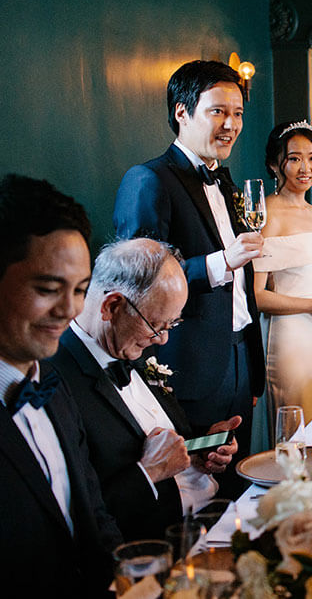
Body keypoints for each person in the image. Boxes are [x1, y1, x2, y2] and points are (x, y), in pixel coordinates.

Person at [113, 60, 265, 495]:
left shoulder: (229, 183)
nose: (231, 124)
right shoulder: (148, 180)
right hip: (187, 365)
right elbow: (138, 279)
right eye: (218, 111)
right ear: (182, 112)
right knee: (193, 488)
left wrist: (250, 367)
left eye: (237, 114)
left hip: (239, 358)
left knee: (239, 481)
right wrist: (221, 262)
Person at [47, 238, 240, 541]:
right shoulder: (54, 382)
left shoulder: (132, 343)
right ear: (112, 306)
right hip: (164, 543)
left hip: (216, 508)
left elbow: (153, 429)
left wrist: (199, 448)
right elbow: (75, 516)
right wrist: (148, 473)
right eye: (157, 326)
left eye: (170, 325)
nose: (162, 339)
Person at [0, 174, 121, 597]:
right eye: (48, 289)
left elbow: (93, 513)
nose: (68, 310)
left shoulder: (53, 383)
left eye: (80, 291)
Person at [253, 121, 312, 422]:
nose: (305, 167)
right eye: (294, 158)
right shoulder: (265, 214)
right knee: (294, 424)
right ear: (274, 164)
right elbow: (256, 296)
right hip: (288, 338)